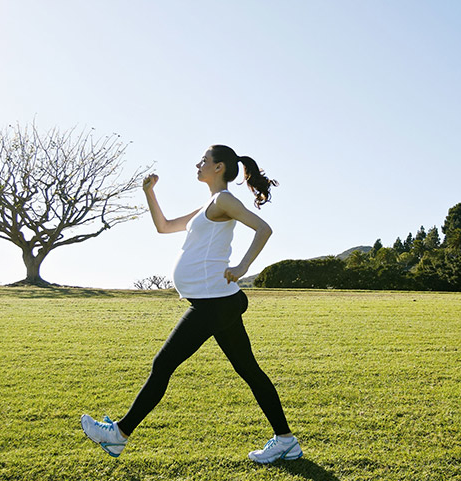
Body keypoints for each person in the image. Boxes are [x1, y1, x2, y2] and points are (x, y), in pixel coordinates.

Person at [81, 145, 302, 464]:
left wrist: (241, 268)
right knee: (248, 370)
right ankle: (286, 441)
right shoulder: (209, 205)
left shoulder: (224, 200)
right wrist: (149, 193)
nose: (198, 164)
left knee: (163, 364)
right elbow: (165, 226)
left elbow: (263, 229)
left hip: (213, 302)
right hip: (216, 302)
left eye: (204, 161)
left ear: (219, 168)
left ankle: (119, 434)